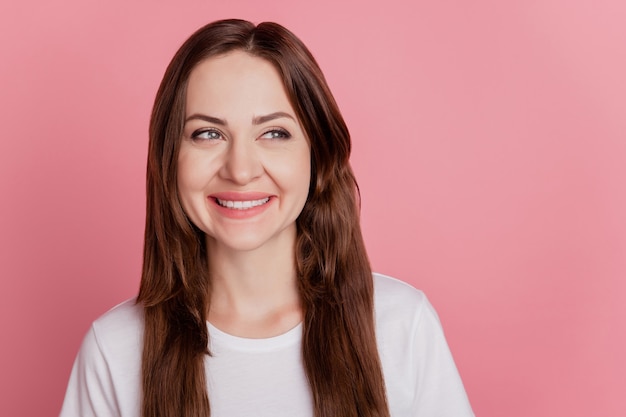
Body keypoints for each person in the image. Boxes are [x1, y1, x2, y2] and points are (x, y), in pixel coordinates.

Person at [59, 19, 474, 417]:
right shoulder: (115, 349)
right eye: (208, 133)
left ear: (318, 154)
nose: (240, 170)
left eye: (274, 133)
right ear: (170, 159)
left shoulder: (402, 325)